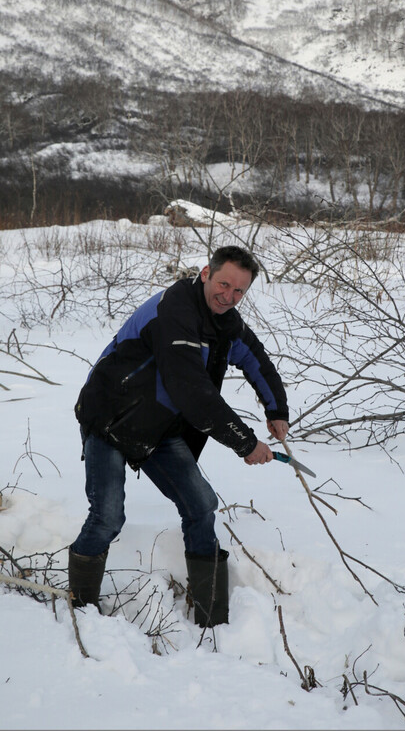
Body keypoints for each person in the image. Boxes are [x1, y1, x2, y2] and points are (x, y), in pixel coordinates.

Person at [69, 245, 289, 627]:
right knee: (108, 516)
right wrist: (246, 443)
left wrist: (277, 410)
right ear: (206, 273)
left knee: (201, 504)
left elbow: (255, 358)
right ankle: (81, 608)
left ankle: (210, 615)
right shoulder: (175, 313)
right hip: (110, 417)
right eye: (224, 284)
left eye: (240, 291)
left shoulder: (225, 320)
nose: (229, 296)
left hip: (158, 426)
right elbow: (193, 394)